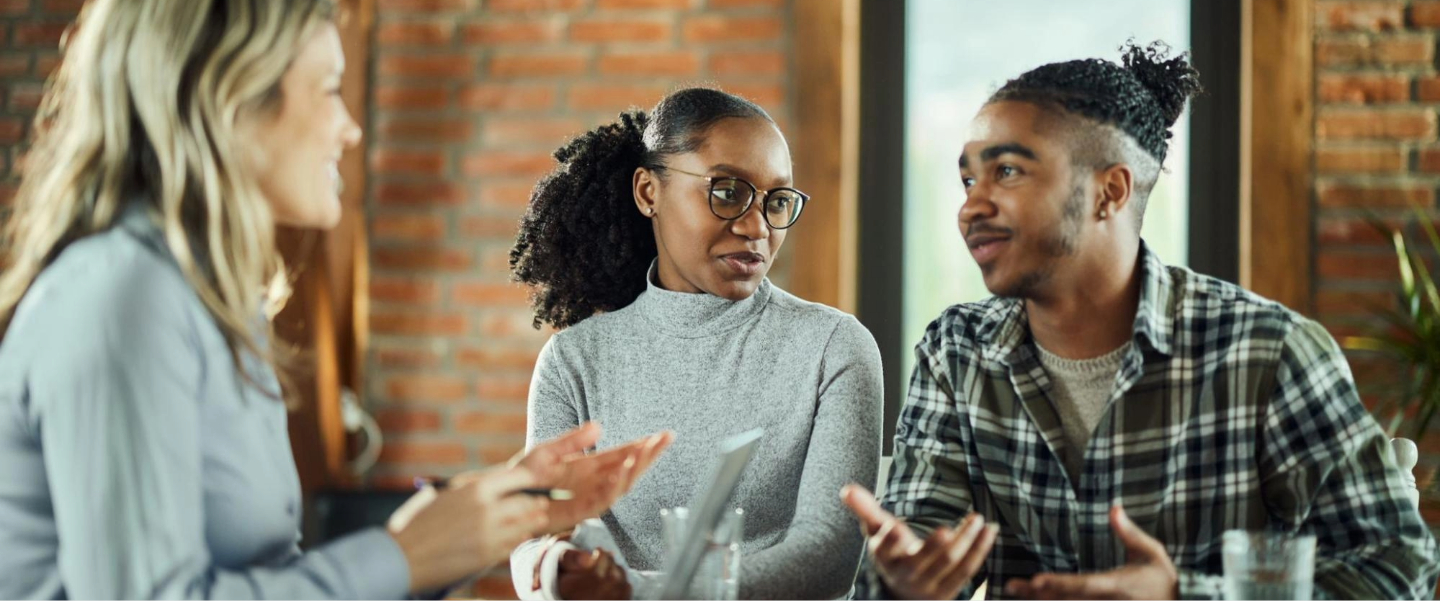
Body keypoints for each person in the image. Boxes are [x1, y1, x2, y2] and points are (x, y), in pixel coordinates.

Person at [0, 0, 666, 598]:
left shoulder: (210, 306)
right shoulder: (126, 295)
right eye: (327, 90)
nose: (349, 128)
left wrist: (484, 521)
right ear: (229, 100)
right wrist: (405, 553)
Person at [842, 41, 1440, 600]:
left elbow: (1397, 564)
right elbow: (915, 538)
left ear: (1110, 191)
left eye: (1009, 173)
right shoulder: (956, 350)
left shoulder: (1268, 352)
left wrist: (1185, 593)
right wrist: (905, 577)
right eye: (969, 178)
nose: (972, 205)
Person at [506, 87, 884, 600]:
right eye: (727, 191)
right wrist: (554, 569)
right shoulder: (575, 360)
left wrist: (636, 593)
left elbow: (828, 559)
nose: (757, 228)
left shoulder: (833, 348)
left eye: (776, 202)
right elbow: (536, 533)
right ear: (648, 192)